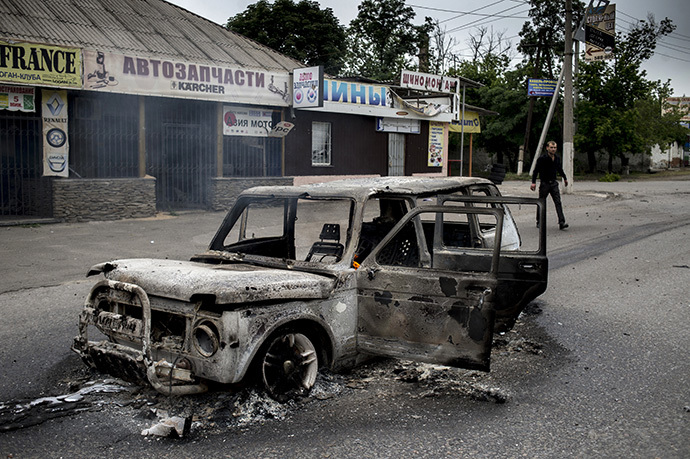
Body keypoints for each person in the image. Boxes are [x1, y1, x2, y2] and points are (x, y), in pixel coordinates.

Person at [531, 140, 569, 230]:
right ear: (547, 148)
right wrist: (533, 182)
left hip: (554, 183)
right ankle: (539, 221)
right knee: (541, 203)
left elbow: (559, 169)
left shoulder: (557, 158)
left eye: (554, 147)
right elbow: (536, 171)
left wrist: (565, 178)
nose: (553, 149)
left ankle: (561, 222)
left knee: (558, 202)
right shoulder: (542, 158)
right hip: (545, 184)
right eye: (551, 147)